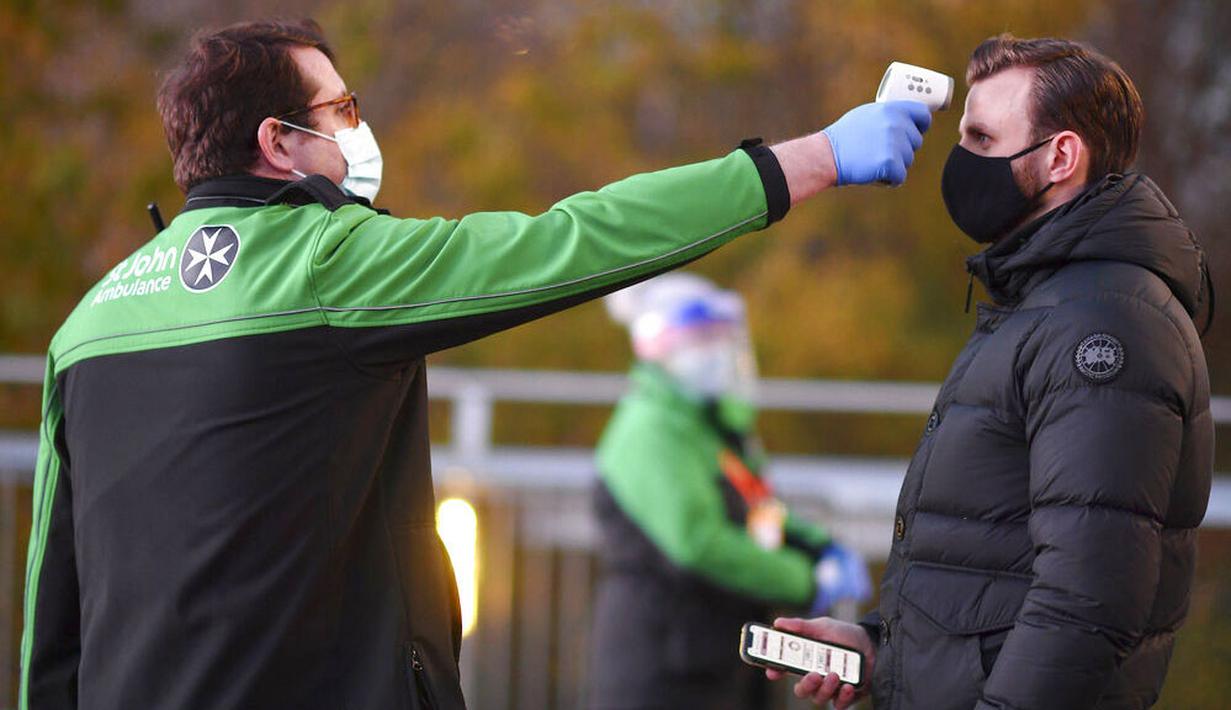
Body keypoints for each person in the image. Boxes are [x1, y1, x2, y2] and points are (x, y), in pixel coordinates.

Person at [18, 18, 931, 710]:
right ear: (277, 142)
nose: (358, 130)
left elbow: (49, 609)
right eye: (341, 111)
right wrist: (809, 160)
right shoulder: (329, 262)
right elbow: (577, 240)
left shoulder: (88, 323)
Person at [773, 35, 1214, 710]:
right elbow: (990, 564)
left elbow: (1085, 604)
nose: (959, 161)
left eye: (981, 138)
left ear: (1060, 157)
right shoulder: (1043, 304)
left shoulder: (1103, 325)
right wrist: (882, 647)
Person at [588, 274, 870, 710]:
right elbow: (700, 542)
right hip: (662, 669)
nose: (716, 352)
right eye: (701, 338)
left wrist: (818, 546)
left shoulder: (708, 425)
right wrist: (802, 579)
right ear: (659, 344)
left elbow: (758, 508)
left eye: (720, 338)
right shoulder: (651, 429)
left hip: (709, 660)